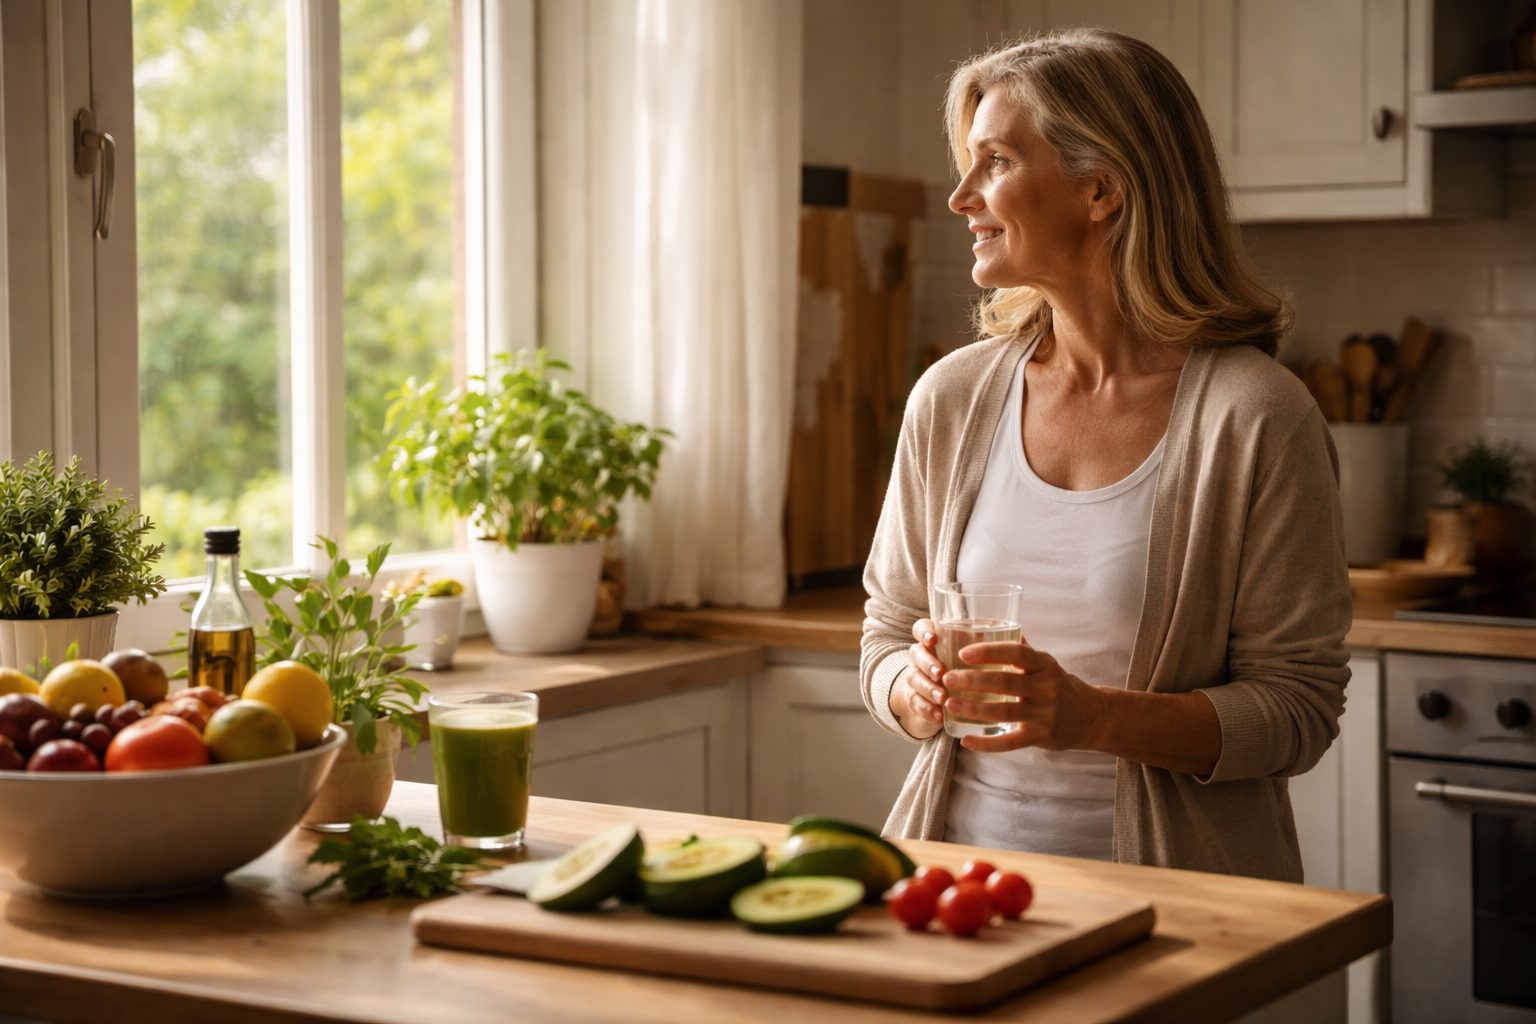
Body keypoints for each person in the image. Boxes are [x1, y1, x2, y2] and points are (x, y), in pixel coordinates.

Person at [859, 28, 1350, 882]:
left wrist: (1089, 717)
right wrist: (916, 688)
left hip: (1179, 902)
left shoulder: (1259, 416)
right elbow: (884, 639)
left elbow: (1297, 711)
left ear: (1101, 189)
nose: (961, 196)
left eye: (997, 162)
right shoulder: (951, 397)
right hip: (956, 888)